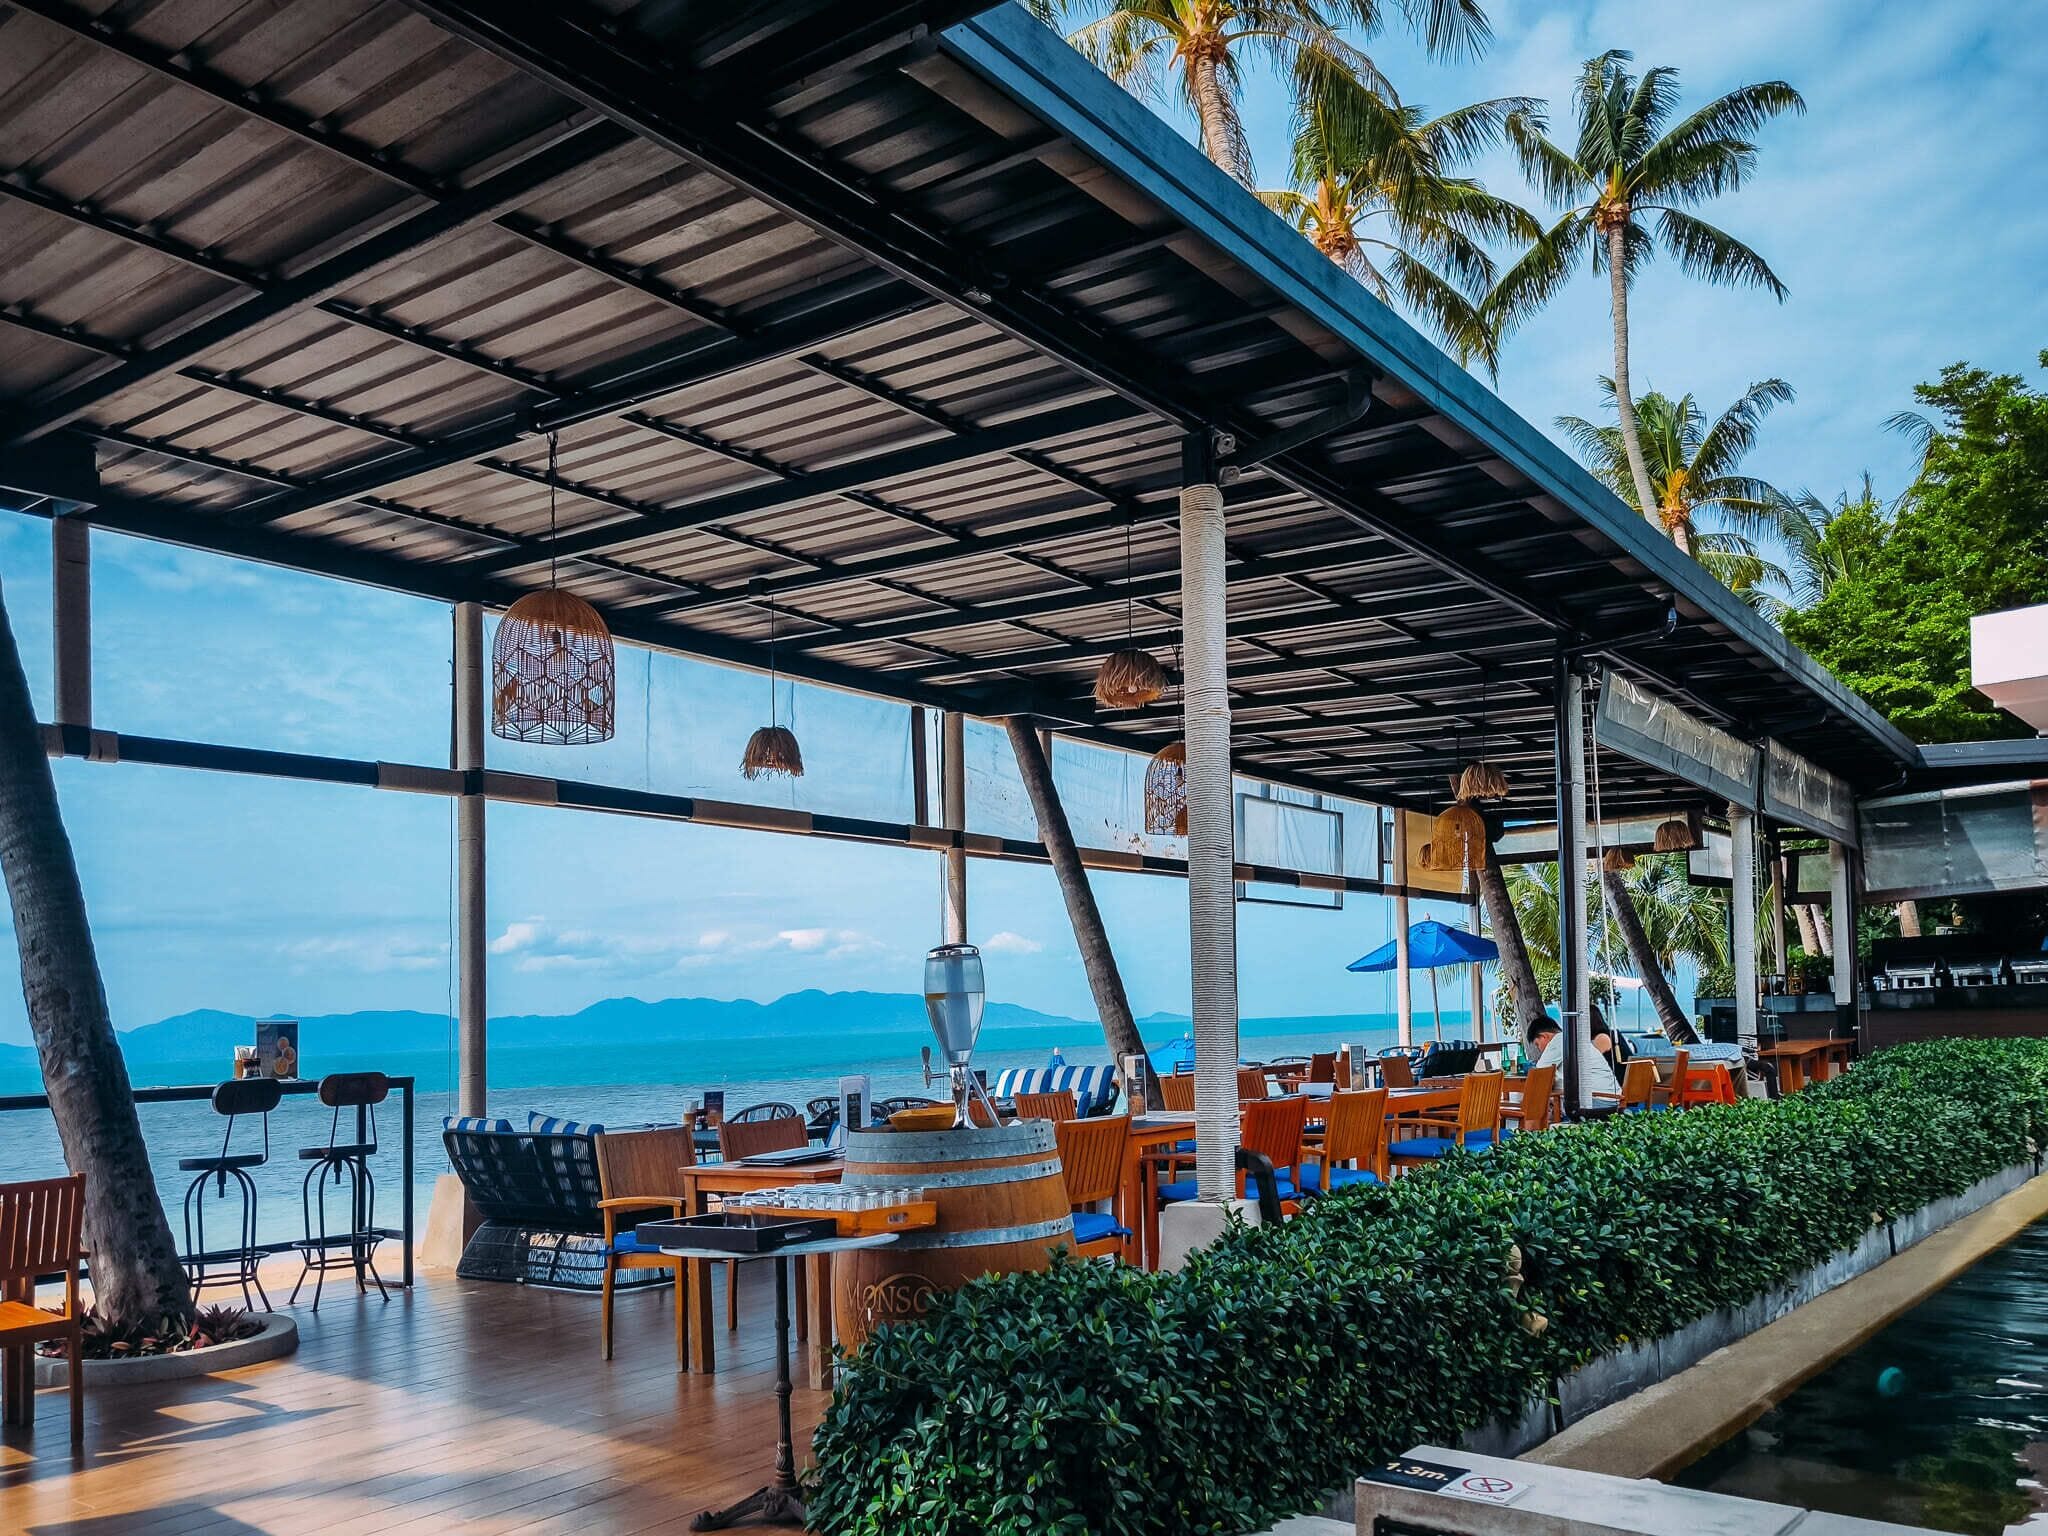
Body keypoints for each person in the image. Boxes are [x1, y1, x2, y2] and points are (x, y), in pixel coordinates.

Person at [1526, 1019, 1620, 1101]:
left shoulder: (1559, 1040)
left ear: (1544, 1036)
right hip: (1612, 1098)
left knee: (1533, 1105)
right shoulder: (1572, 1038)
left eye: (1537, 1044)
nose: (1539, 1049)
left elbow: (1538, 1076)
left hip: (1595, 1100)